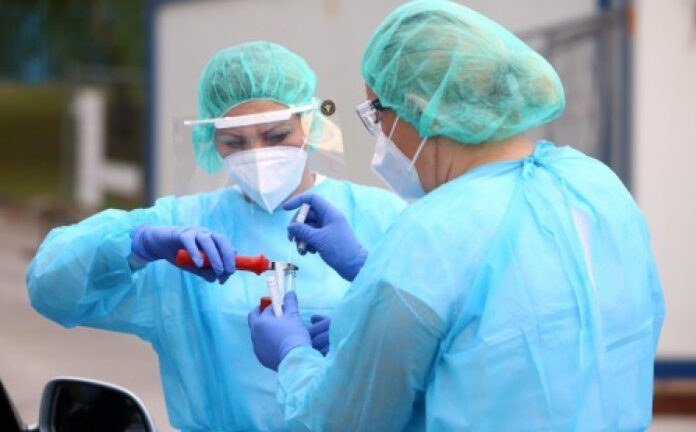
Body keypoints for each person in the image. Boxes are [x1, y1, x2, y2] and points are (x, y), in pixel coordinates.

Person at [247, 2, 665, 430]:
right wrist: (369, 277)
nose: (380, 133)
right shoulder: (597, 186)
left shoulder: (430, 234)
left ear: (419, 108)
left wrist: (292, 355)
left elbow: (342, 420)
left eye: (377, 113)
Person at [26, 41, 405, 431]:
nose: (258, 155)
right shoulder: (184, 228)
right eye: (235, 143)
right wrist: (137, 246)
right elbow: (50, 288)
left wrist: (372, 328)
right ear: (211, 141)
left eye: (276, 136)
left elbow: (431, 340)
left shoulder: (380, 216)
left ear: (309, 124)